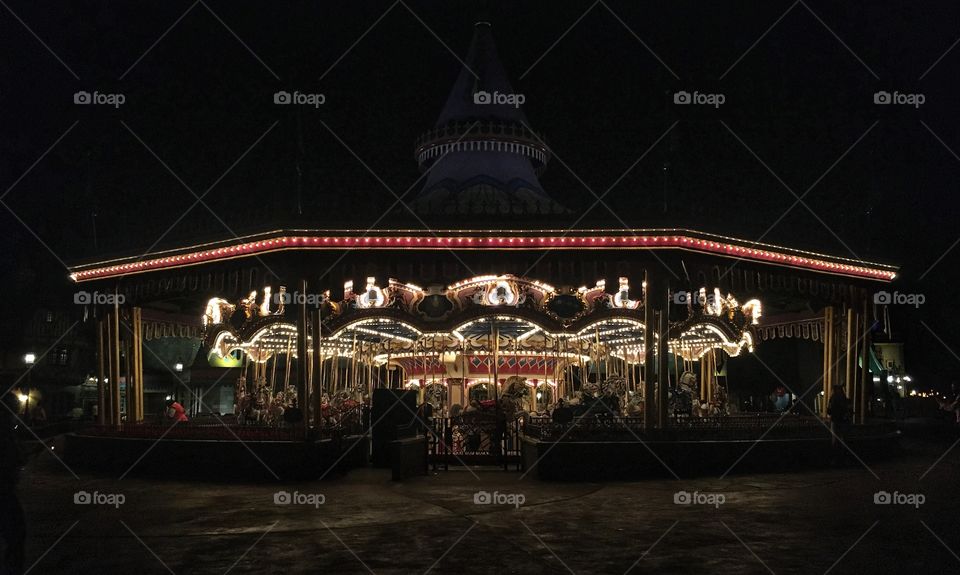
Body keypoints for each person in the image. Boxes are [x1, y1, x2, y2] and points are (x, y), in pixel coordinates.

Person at [1, 392, 26, 575]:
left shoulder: (7, 429)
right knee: (16, 531)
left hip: (6, 487)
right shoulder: (5, 431)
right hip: (4, 490)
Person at [827, 384, 850, 463]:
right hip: (843, 421)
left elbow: (829, 410)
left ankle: (835, 456)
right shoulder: (844, 399)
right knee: (843, 438)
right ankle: (844, 456)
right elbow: (847, 410)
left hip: (835, 420)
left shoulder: (832, 398)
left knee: (835, 438)